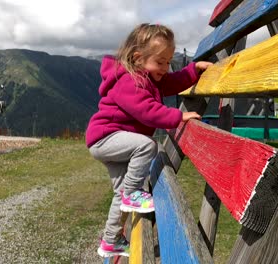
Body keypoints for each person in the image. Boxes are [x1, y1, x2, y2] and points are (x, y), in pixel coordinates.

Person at [85, 23, 213, 258]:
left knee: (121, 191)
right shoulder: (130, 81)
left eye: (169, 61)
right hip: (106, 137)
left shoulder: (150, 76)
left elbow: (172, 81)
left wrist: (194, 70)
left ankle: (110, 240)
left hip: (108, 140)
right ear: (138, 58)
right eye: (160, 62)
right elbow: (147, 111)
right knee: (147, 145)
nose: (166, 67)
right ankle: (132, 194)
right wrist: (179, 116)